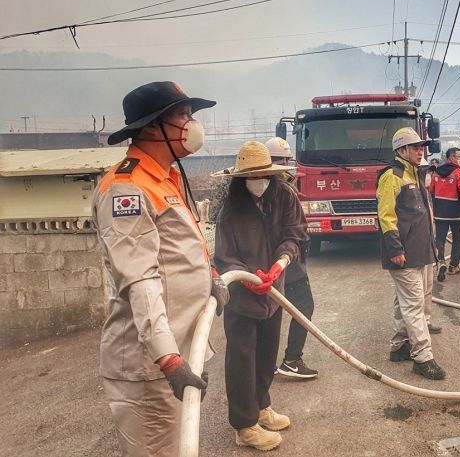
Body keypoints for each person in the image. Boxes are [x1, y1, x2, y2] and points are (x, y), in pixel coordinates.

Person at [93, 81, 228, 457]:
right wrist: (168, 358)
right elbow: (140, 278)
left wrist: (210, 275)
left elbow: (179, 249)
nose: (192, 124)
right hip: (151, 367)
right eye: (183, 115)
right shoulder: (128, 189)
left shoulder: (165, 177)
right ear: (153, 127)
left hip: (180, 354)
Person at [213, 140, 308, 451]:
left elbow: (294, 234)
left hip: (273, 292)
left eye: (263, 175)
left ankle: (262, 405)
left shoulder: (284, 196)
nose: (258, 181)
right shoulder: (231, 208)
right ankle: (244, 425)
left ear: (272, 173)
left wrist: (279, 266)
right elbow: (224, 256)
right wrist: (250, 276)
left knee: (267, 352)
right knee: (242, 357)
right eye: (251, 177)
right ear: (240, 179)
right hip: (242, 294)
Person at [376, 128, 445, 380]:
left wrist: (433, 245)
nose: (420, 151)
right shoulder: (391, 176)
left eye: (421, 147)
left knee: (406, 301)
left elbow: (424, 214)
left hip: (422, 251)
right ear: (401, 150)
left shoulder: (416, 174)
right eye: (415, 147)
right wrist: (394, 248)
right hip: (403, 253)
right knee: (414, 305)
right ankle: (423, 357)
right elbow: (386, 215)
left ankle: (399, 346)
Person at [264, 137, 319, 380]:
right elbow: (293, 229)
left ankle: (267, 363)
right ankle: (292, 360)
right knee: (304, 307)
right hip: (288, 261)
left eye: (287, 160)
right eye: (283, 160)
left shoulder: (267, 187)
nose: (287, 165)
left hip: (280, 259)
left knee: (274, 311)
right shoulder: (282, 189)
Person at [429, 147, 460, 280]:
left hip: (440, 212)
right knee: (457, 239)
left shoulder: (436, 173)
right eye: (459, 156)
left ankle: (441, 261)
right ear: (451, 158)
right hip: (457, 213)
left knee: (440, 238)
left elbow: (431, 189)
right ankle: (453, 266)